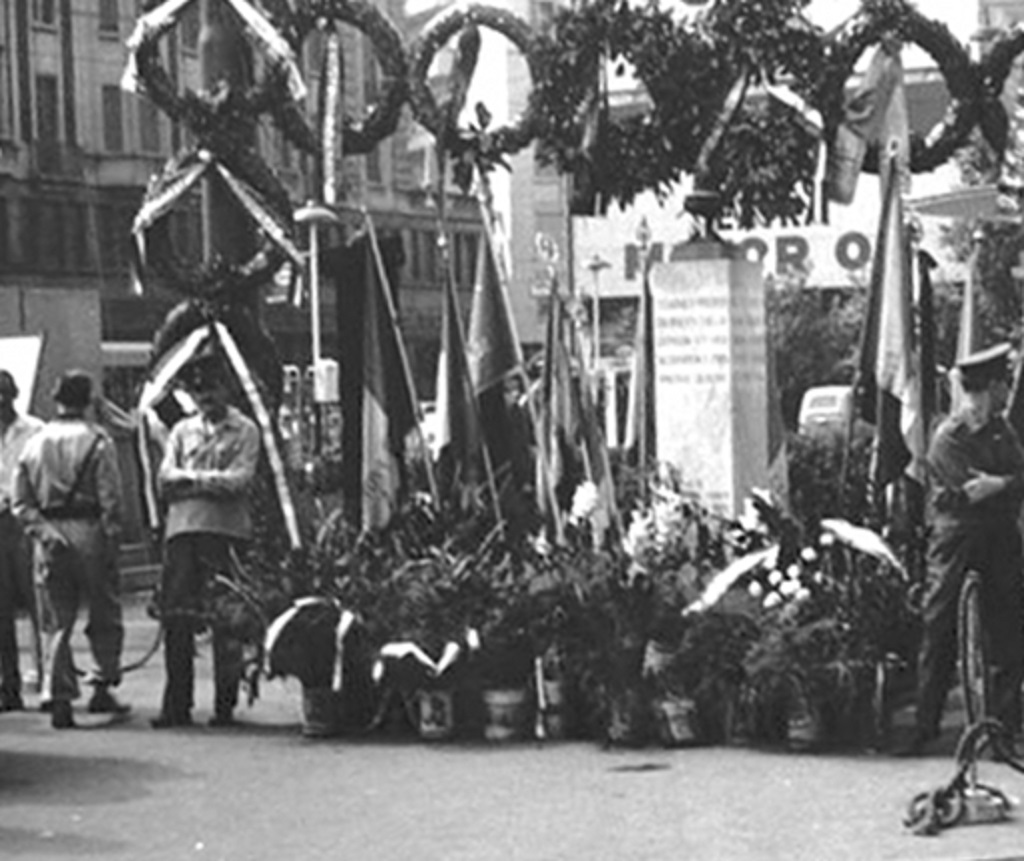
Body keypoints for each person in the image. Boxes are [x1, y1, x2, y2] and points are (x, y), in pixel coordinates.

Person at [901, 342, 1024, 755]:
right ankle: (925, 725)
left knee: (1008, 630)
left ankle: (1003, 728)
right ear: (987, 388)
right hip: (957, 536)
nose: (1009, 390)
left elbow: (1016, 478)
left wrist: (1001, 484)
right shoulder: (948, 437)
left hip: (1000, 534)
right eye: (1003, 384)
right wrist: (1002, 484)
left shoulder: (1001, 431)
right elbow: (969, 491)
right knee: (939, 623)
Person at [12, 370, 129, 729]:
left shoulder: (35, 442)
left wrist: (42, 531)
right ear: (89, 399)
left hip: (49, 534)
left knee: (56, 620)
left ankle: (59, 694)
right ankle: (101, 685)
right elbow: (112, 499)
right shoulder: (98, 441)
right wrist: (112, 538)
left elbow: (21, 501)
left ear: (55, 397)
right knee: (104, 613)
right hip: (91, 531)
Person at [151, 347, 260, 729]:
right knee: (177, 620)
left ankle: (225, 705)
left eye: (212, 390)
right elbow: (165, 479)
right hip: (182, 533)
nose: (206, 399)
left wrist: (191, 480)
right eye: (199, 393)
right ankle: (176, 705)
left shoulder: (245, 429)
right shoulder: (182, 431)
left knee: (225, 621)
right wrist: (208, 483)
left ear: (226, 389)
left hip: (226, 533)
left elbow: (241, 481)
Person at [0, 370, 44, 712]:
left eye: (4, 395)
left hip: (27, 521)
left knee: (37, 603)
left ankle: (45, 680)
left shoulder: (34, 430)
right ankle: (8, 685)